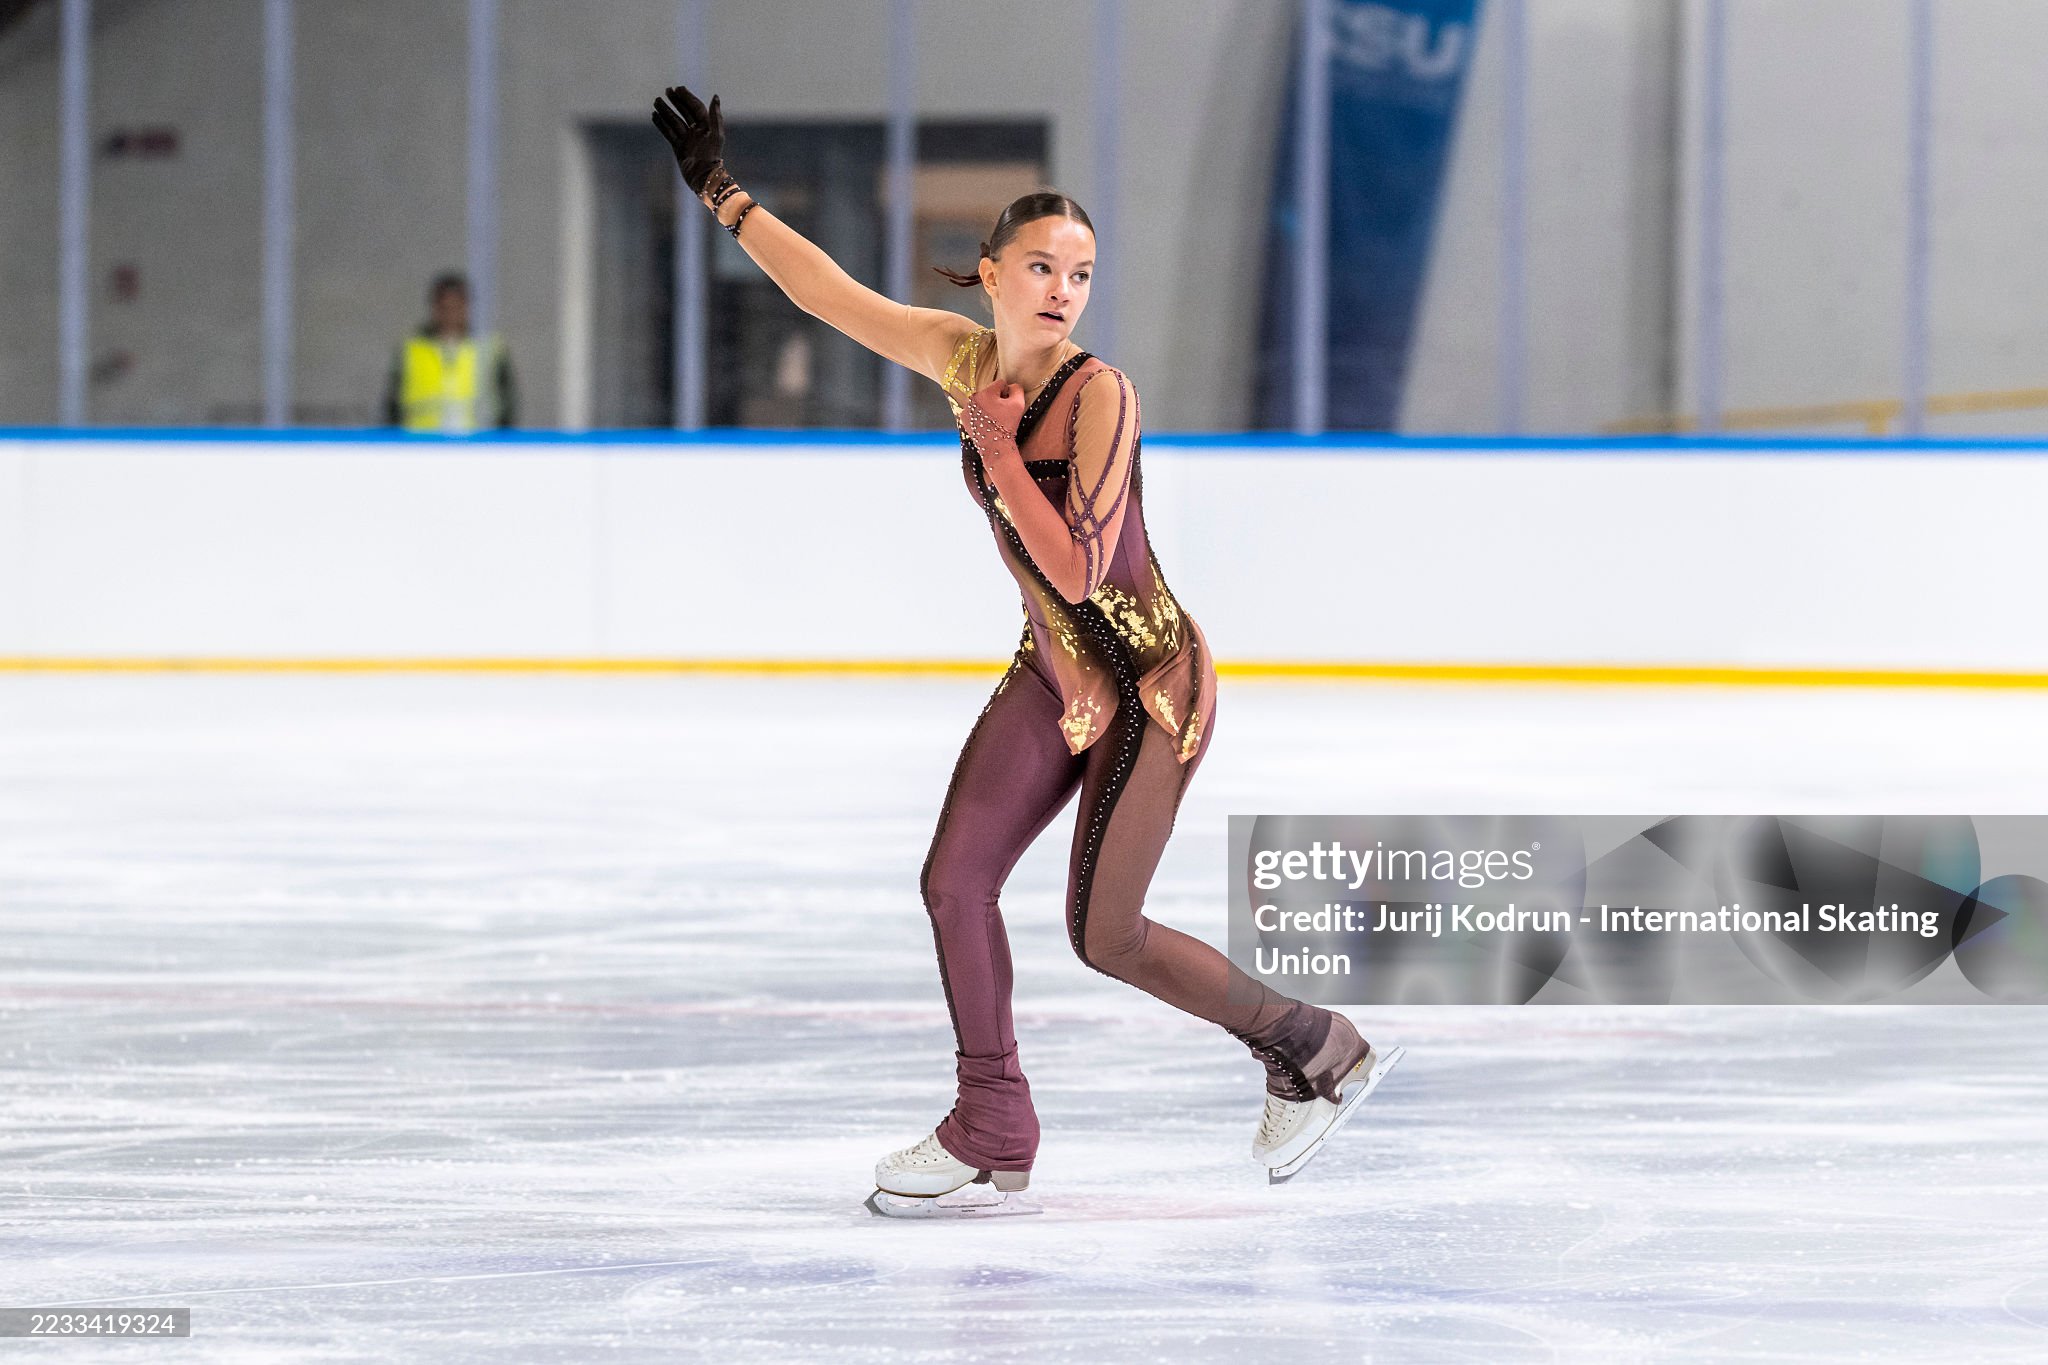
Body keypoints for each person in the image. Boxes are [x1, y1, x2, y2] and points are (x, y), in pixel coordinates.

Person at [652, 85, 1398, 1213]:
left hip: (1150, 687)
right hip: (1054, 674)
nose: (1062, 289)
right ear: (991, 272)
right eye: (1042, 267)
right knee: (954, 882)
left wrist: (999, 452)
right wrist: (723, 194)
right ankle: (991, 1115)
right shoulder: (963, 362)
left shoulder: (1102, 396)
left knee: (1107, 935)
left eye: (1081, 273)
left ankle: (1313, 1044)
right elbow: (830, 295)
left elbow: (1083, 571)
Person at [382, 272, 517, 434]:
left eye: (457, 307)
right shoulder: (411, 348)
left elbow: (507, 402)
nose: (450, 314)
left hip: (476, 442)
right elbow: (392, 405)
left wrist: (500, 442)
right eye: (445, 308)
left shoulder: (490, 348)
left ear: (467, 307)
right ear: (435, 308)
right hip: (421, 442)